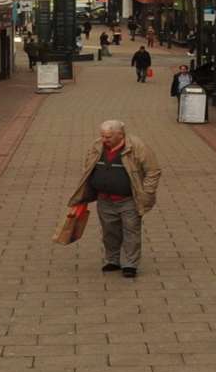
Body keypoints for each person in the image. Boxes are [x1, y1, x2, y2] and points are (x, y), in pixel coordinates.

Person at [66, 119, 162, 278]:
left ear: (120, 135)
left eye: (108, 137)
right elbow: (88, 165)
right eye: (102, 136)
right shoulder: (97, 146)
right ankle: (113, 260)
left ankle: (130, 264)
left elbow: (153, 171)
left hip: (129, 200)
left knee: (131, 232)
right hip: (104, 199)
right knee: (109, 232)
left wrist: (147, 192)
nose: (104, 140)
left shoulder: (137, 147)